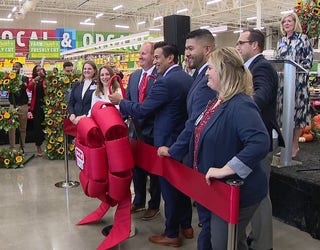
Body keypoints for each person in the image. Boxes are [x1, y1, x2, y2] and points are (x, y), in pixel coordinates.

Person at [109, 42, 194, 247]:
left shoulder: (166, 81)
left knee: (169, 189)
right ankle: (186, 225)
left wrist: (120, 102)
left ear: (170, 58)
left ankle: (172, 233)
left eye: (157, 57)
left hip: (166, 142)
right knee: (182, 187)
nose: (154, 62)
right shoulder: (184, 77)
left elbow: (143, 109)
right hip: (181, 139)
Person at [193, 47, 270, 250]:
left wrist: (226, 169)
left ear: (224, 71)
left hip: (236, 192)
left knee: (224, 243)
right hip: (218, 191)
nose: (206, 73)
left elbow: (260, 142)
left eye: (210, 68)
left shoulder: (240, 103)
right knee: (232, 241)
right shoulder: (218, 101)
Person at [157, 28, 216, 250]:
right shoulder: (197, 76)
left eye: (191, 49)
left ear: (208, 49)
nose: (187, 54)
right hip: (194, 152)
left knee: (208, 218)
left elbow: (195, 124)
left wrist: (173, 150)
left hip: (201, 156)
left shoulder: (207, 82)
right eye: (186, 49)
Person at [236, 29, 285, 250]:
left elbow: (261, 96)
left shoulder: (262, 67)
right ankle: (257, 239)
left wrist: (236, 109)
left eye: (241, 43)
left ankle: (263, 245)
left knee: (259, 194)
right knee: (254, 192)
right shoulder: (249, 68)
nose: (238, 47)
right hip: (255, 136)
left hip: (262, 137)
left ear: (254, 45)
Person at [125, 42, 161, 220]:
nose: (139, 56)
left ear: (154, 56)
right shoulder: (134, 76)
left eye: (144, 54)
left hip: (153, 132)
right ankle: (138, 200)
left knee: (154, 171)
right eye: (139, 53)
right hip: (135, 132)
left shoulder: (159, 76)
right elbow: (128, 101)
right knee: (136, 168)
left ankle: (154, 204)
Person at [277, 12, 313, 158]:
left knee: (297, 115)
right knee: (285, 114)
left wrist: (294, 67)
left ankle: (295, 146)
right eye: (284, 21)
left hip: (298, 83)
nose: (287, 23)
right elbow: (279, 61)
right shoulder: (280, 42)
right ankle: (285, 146)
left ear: (294, 23)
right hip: (283, 83)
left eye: (289, 21)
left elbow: (308, 62)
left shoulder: (303, 39)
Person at [68, 60, 97, 125]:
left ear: (94, 70)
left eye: (89, 69)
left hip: (89, 121)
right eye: (85, 69)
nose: (86, 71)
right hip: (75, 121)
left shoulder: (97, 85)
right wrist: (71, 113)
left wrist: (85, 115)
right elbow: (71, 102)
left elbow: (96, 105)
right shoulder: (77, 84)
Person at [8, 62, 29, 152]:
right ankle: (12, 147)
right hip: (12, 105)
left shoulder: (24, 78)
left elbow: (25, 87)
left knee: (23, 128)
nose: (14, 68)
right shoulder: (9, 78)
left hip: (23, 106)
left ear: (21, 68)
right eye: (13, 66)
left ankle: (22, 147)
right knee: (11, 128)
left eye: (16, 67)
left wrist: (18, 78)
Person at [27, 65, 47, 156]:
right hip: (37, 107)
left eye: (41, 70)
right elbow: (29, 88)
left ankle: (50, 146)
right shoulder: (33, 80)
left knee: (48, 126)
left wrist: (45, 79)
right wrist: (36, 80)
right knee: (37, 127)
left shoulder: (46, 80)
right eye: (37, 70)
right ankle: (38, 147)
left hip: (47, 105)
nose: (39, 71)